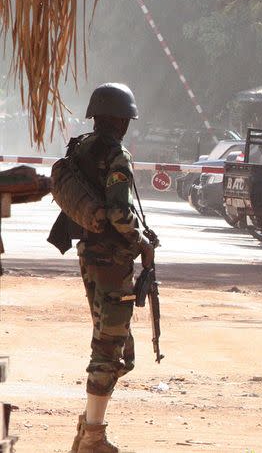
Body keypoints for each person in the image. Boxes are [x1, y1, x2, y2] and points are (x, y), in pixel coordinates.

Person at [70, 83, 155, 453]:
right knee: (109, 349)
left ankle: (87, 427)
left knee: (106, 341)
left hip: (90, 256)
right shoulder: (117, 155)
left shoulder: (81, 148)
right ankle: (92, 437)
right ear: (121, 120)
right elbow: (120, 212)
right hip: (113, 261)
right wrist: (142, 241)